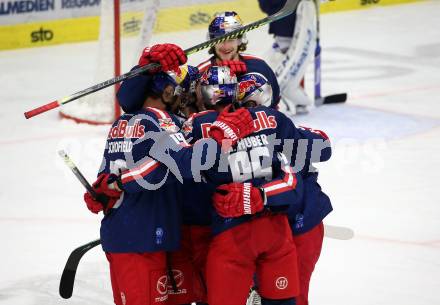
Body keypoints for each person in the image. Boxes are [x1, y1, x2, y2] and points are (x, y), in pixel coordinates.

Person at [83, 44, 255, 305]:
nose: (185, 98)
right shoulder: (162, 122)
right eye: (181, 91)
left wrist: (108, 188)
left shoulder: (124, 121)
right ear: (166, 91)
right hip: (143, 236)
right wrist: (220, 137)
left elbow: (108, 176)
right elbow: (181, 162)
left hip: (130, 234)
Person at [236, 72, 333, 305]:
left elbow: (324, 148)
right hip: (271, 230)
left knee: (293, 296)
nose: (250, 113)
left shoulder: (281, 125)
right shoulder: (237, 133)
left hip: (301, 224)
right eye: (244, 106)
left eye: (253, 105)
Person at [197, 11, 281, 108]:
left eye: (231, 39)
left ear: (239, 40)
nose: (226, 46)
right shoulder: (201, 73)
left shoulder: (259, 66)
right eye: (219, 39)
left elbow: (274, 105)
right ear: (212, 42)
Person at [258, 0, 318, 114]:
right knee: (271, 74)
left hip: (299, 35)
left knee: (290, 72)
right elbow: (265, 6)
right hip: (282, 38)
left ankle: (299, 102)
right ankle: (292, 100)